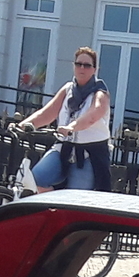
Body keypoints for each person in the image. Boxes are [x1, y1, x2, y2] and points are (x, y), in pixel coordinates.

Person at [20, 48, 111, 190]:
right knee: (33, 180)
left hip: (89, 154)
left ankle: (61, 203)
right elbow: (47, 114)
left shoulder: (100, 93)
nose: (82, 68)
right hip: (64, 147)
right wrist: (23, 125)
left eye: (87, 65)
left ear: (95, 69)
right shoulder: (68, 89)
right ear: (73, 66)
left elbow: (92, 116)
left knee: (75, 199)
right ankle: (52, 202)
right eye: (78, 64)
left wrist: (71, 127)